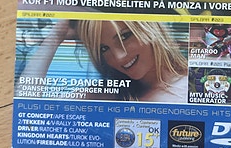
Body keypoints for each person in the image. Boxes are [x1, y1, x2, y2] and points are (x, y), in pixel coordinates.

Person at [20, 19, 189, 102]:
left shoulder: (197, 83)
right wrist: (55, 37)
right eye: (103, 49)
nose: (119, 57)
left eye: (125, 37)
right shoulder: (109, 94)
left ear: (149, 27)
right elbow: (27, 110)